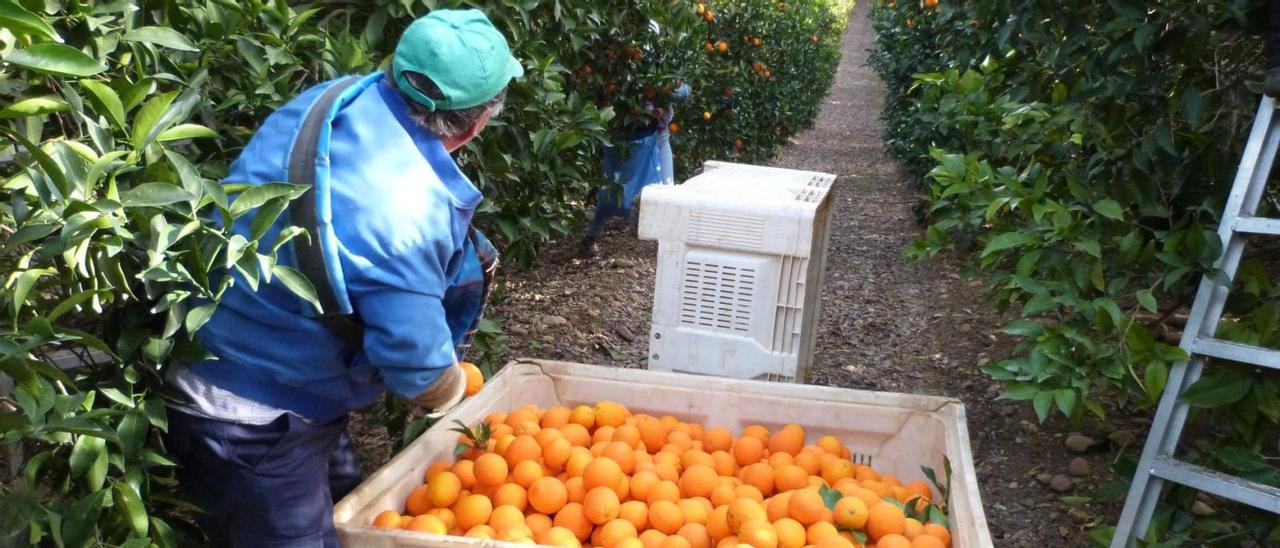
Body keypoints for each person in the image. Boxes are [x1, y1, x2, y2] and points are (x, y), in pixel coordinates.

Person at [160, 9, 521, 546]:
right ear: (476, 124)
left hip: (231, 339)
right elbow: (417, 368)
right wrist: (452, 395)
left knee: (352, 502)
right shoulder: (406, 217)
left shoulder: (337, 100)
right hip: (251, 415)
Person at [579, 82, 690, 257]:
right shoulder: (617, 71)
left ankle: (666, 245)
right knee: (609, 197)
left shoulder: (656, 67)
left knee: (662, 192)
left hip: (650, 140)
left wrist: (667, 89)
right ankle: (590, 236)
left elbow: (683, 92)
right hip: (617, 140)